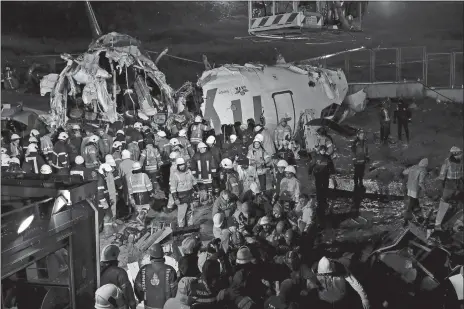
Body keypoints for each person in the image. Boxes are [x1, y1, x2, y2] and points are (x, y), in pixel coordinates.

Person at [135, 243, 178, 309]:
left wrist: (142, 298)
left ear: (150, 257)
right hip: (166, 306)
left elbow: (137, 288)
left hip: (148, 306)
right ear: (163, 255)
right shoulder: (170, 270)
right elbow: (174, 291)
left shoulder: (143, 269)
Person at [100, 244, 137, 309]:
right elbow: (128, 292)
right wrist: (133, 306)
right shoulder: (120, 272)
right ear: (114, 257)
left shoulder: (97, 272)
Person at [435, 146, 463, 231]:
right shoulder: (447, 162)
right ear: (455, 154)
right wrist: (441, 185)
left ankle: (457, 218)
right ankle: (437, 224)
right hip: (449, 185)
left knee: (458, 200)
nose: (462, 155)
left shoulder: (460, 161)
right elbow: (442, 175)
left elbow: (461, 173)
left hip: (458, 184)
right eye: (460, 153)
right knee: (444, 202)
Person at [308, 145, 335, 224]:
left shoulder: (327, 157)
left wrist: (333, 173)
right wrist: (310, 172)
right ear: (319, 151)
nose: (323, 151)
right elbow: (311, 165)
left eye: (324, 150)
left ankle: (324, 200)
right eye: (321, 150)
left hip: (325, 175)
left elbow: (331, 166)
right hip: (318, 175)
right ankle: (320, 201)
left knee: (325, 188)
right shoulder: (316, 157)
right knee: (319, 188)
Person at [170, 157, 200, 227]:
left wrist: (197, 191)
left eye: (183, 164)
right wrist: (175, 199)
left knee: (190, 212)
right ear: (177, 166)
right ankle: (181, 228)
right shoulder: (175, 175)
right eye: (180, 165)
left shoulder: (188, 172)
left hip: (190, 195)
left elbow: (194, 181)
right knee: (182, 214)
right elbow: (173, 189)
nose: (182, 166)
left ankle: (190, 226)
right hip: (181, 197)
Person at [402, 158, 428, 226]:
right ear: (425, 165)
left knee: (414, 201)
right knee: (411, 204)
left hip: (409, 187)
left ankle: (418, 213)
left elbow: (404, 172)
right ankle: (406, 219)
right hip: (415, 189)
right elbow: (421, 183)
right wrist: (425, 190)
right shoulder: (423, 170)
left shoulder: (414, 166)